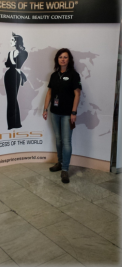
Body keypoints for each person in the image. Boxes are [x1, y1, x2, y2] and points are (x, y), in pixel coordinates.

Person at [42, 48, 81, 183]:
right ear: (57, 60)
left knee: (66, 141)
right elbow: (49, 92)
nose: (62, 59)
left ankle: (65, 169)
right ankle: (59, 163)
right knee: (58, 139)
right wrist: (45, 108)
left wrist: (74, 112)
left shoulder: (74, 75)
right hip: (55, 112)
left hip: (67, 114)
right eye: (60, 57)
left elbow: (77, 94)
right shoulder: (54, 75)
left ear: (69, 60)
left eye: (65, 57)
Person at [4, 32, 28, 130]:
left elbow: (17, 65)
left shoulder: (24, 53)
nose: (11, 41)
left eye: (12, 40)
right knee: (10, 99)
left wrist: (11, 57)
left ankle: (15, 123)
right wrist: (11, 56)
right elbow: (7, 64)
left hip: (16, 75)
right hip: (8, 74)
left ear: (17, 42)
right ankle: (12, 124)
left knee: (13, 99)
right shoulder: (10, 52)